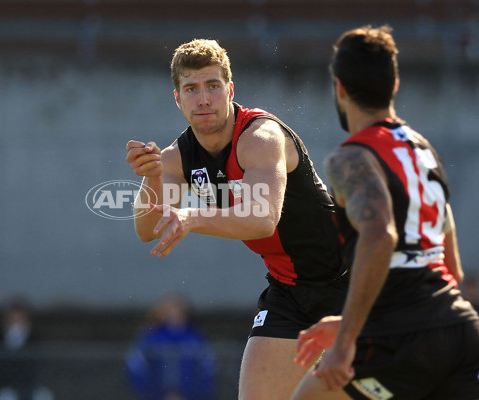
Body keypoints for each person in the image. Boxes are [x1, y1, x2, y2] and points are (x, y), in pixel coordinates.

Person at [126, 39, 347, 398]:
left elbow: (262, 220)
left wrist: (193, 216)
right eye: (191, 89)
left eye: (213, 86)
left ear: (230, 90)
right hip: (289, 292)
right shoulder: (177, 157)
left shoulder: (260, 137)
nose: (203, 99)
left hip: (351, 283)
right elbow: (147, 230)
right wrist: (151, 175)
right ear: (178, 99)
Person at [292, 25, 479, 400]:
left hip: (401, 341)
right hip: (461, 330)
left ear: (340, 89)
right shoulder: (423, 152)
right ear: (394, 86)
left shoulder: (351, 158)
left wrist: (346, 342)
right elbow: (450, 269)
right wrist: (354, 324)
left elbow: (380, 235)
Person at [124, 292, 217, 400]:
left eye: (177, 309)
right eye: (169, 310)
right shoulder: (151, 337)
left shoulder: (194, 338)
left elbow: (208, 369)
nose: (174, 314)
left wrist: (191, 393)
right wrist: (153, 393)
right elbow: (135, 367)